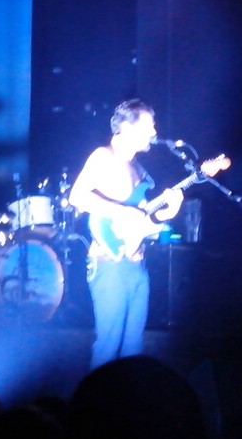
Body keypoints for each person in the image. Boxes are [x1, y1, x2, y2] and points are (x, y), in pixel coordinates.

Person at [69, 98, 184, 369]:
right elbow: (77, 196)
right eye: (149, 125)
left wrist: (168, 213)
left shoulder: (139, 170)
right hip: (110, 264)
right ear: (128, 128)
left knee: (134, 348)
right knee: (108, 345)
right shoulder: (103, 157)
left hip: (137, 265)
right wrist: (122, 212)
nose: (154, 132)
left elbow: (143, 221)